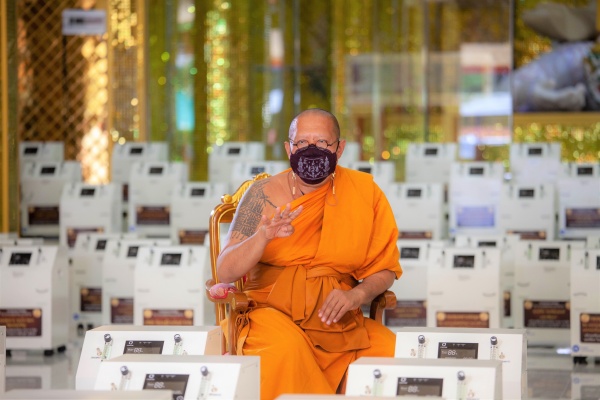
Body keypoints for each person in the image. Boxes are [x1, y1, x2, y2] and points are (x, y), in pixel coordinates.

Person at [216, 108, 402, 399]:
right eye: (301, 142)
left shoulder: (365, 193)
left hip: (339, 320)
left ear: (340, 148)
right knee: (286, 350)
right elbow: (225, 271)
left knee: (392, 352)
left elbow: (385, 268)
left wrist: (357, 295)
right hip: (272, 314)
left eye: (322, 142)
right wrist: (262, 236)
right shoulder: (262, 194)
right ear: (288, 148)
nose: (311, 150)